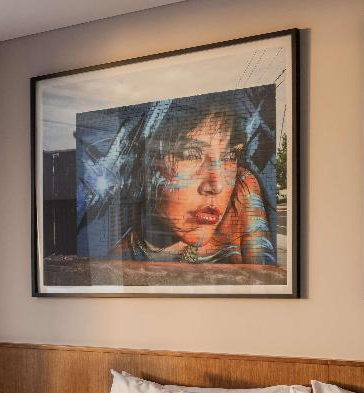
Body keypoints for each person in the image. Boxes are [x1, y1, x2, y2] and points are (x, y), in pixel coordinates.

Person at [77, 87, 277, 265]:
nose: (217, 185)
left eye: (230, 156)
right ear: (144, 165)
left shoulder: (242, 193)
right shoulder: (115, 264)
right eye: (190, 154)